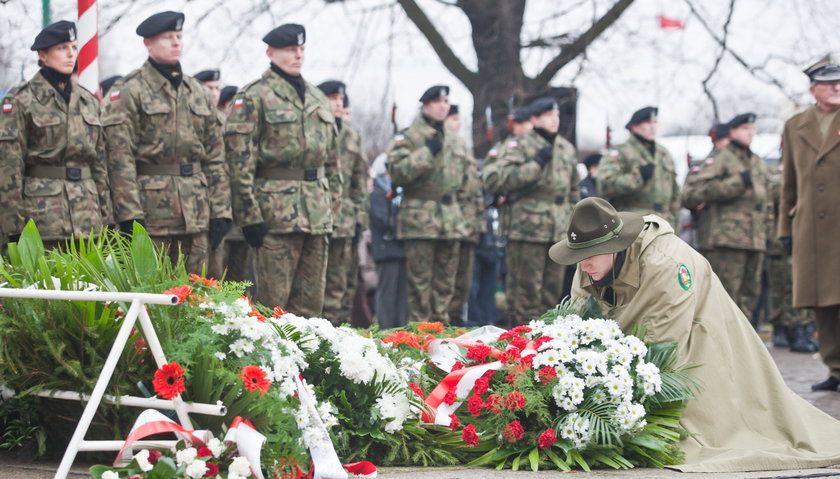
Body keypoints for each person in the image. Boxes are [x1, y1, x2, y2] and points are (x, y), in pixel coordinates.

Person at [550, 197, 840, 472]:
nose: (583, 264)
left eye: (589, 256)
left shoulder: (666, 262)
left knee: (710, 418)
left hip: (698, 332)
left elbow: (660, 348)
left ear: (616, 245)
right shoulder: (591, 259)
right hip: (644, 336)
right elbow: (578, 323)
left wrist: (612, 401)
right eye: (579, 256)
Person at [101, 11, 231, 274]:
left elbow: (215, 157)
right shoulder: (130, 91)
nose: (176, 43)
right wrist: (129, 216)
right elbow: (119, 159)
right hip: (151, 213)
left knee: (196, 296)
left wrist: (221, 210)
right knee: (153, 296)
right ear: (148, 43)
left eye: (179, 37)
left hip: (196, 212)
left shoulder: (198, 92)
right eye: (168, 37)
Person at [224, 23, 341, 316]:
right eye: (290, 50)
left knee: (311, 307)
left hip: (316, 215)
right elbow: (239, 163)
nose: (297, 55)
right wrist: (249, 218)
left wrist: (331, 207)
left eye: (301, 49)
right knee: (273, 306)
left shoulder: (317, 98)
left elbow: (333, 163)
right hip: (274, 214)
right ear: (270, 52)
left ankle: (307, 361)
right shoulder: (254, 96)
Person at [0, 21, 112, 249]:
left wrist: (107, 219)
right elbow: (9, 168)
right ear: (42, 54)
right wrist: (13, 230)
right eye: (62, 48)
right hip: (42, 217)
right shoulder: (22, 99)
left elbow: (99, 165)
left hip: (87, 216)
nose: (71, 54)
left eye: (73, 47)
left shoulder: (87, 101)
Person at [484, 97, 580, 325]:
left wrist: (574, 221)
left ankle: (546, 340)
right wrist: (536, 164)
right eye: (548, 116)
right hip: (526, 229)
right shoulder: (520, 145)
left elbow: (573, 190)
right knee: (525, 291)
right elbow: (498, 180)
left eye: (556, 116)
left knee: (552, 291)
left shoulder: (565, 148)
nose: (554, 120)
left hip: (558, 229)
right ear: (535, 119)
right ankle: (521, 338)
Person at [779, 54, 840, 392]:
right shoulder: (795, 124)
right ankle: (836, 369)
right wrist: (784, 229)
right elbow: (789, 182)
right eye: (828, 82)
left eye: (838, 81)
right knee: (823, 302)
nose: (836, 86)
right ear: (813, 88)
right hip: (811, 228)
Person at [386, 85, 467, 323]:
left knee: (446, 283)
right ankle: (419, 334)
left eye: (446, 101)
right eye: (439, 101)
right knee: (419, 284)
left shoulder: (454, 139)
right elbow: (397, 172)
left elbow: (464, 179)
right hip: (420, 219)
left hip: (450, 219)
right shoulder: (409, 136)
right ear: (426, 105)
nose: (445, 105)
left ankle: (442, 329)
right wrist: (425, 153)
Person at [687, 113, 768, 322]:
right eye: (744, 129)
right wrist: (737, 182)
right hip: (726, 239)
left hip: (755, 237)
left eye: (752, 129)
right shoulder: (719, 158)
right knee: (725, 296)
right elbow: (692, 194)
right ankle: (722, 345)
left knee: (750, 296)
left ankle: (745, 345)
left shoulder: (757, 161)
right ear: (732, 132)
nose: (750, 133)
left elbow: (765, 200)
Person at [318, 80, 368, 325]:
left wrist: (360, 218)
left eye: (340, 99)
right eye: (332, 99)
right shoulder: (314, 130)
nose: (338, 103)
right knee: (320, 284)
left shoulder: (351, 135)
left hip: (346, 220)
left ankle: (339, 330)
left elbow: (360, 178)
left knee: (343, 284)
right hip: (316, 215)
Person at [598, 106, 680, 229]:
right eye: (647, 122)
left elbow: (675, 195)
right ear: (634, 126)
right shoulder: (621, 152)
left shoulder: (664, 154)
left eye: (655, 122)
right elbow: (605, 185)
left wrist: (675, 225)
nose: (653, 126)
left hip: (664, 223)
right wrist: (638, 177)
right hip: (634, 224)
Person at [766, 164, 817, 352]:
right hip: (782, 241)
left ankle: (802, 330)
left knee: (800, 285)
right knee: (785, 288)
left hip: (805, 238)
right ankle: (790, 330)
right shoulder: (778, 175)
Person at [445, 104, 485, 325]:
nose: (457, 123)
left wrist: (478, 224)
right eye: (452, 118)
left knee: (462, 283)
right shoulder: (443, 148)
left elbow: (474, 191)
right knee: (445, 283)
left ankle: (456, 324)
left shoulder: (462, 146)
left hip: (467, 228)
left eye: (458, 118)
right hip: (449, 226)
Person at [368, 153, 407, 329]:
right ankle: (386, 329)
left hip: (401, 248)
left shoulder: (398, 190)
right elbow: (382, 219)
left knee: (402, 294)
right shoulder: (378, 191)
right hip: (386, 248)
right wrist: (406, 228)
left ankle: (401, 329)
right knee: (387, 292)